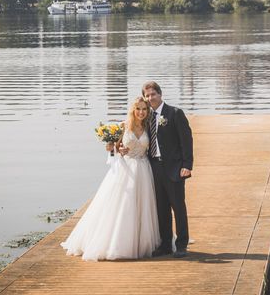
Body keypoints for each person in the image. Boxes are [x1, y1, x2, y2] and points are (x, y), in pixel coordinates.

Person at [60, 97, 160, 261]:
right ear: (133, 110)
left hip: (143, 168)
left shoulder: (149, 127)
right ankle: (118, 243)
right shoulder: (123, 126)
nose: (141, 112)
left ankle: (141, 242)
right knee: (123, 205)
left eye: (144, 109)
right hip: (125, 168)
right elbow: (110, 149)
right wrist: (118, 150)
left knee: (142, 206)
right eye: (138, 109)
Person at [142, 81, 193, 258]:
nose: (150, 98)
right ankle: (165, 244)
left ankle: (181, 245)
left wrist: (187, 165)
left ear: (160, 94)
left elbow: (186, 141)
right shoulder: (146, 116)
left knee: (178, 207)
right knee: (161, 208)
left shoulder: (175, 113)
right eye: (147, 96)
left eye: (153, 94)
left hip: (174, 167)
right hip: (154, 167)